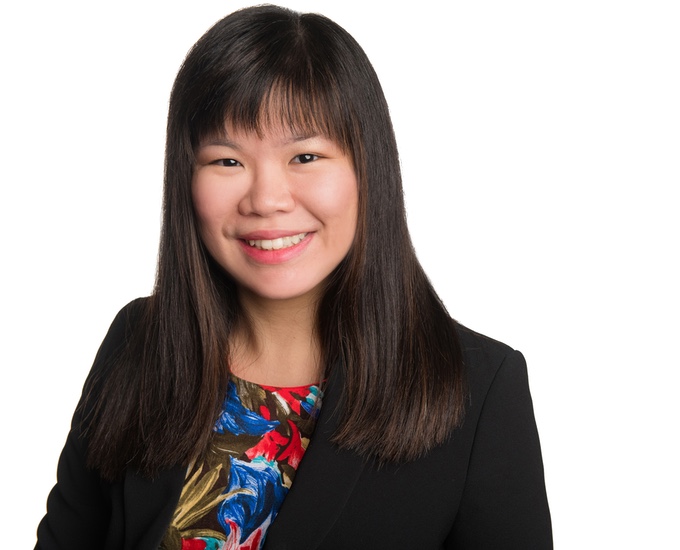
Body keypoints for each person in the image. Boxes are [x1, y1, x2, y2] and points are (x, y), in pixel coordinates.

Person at [35, 5, 551, 549]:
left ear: (367, 169)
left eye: (305, 156)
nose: (266, 200)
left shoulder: (478, 390)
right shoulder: (138, 344)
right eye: (227, 161)